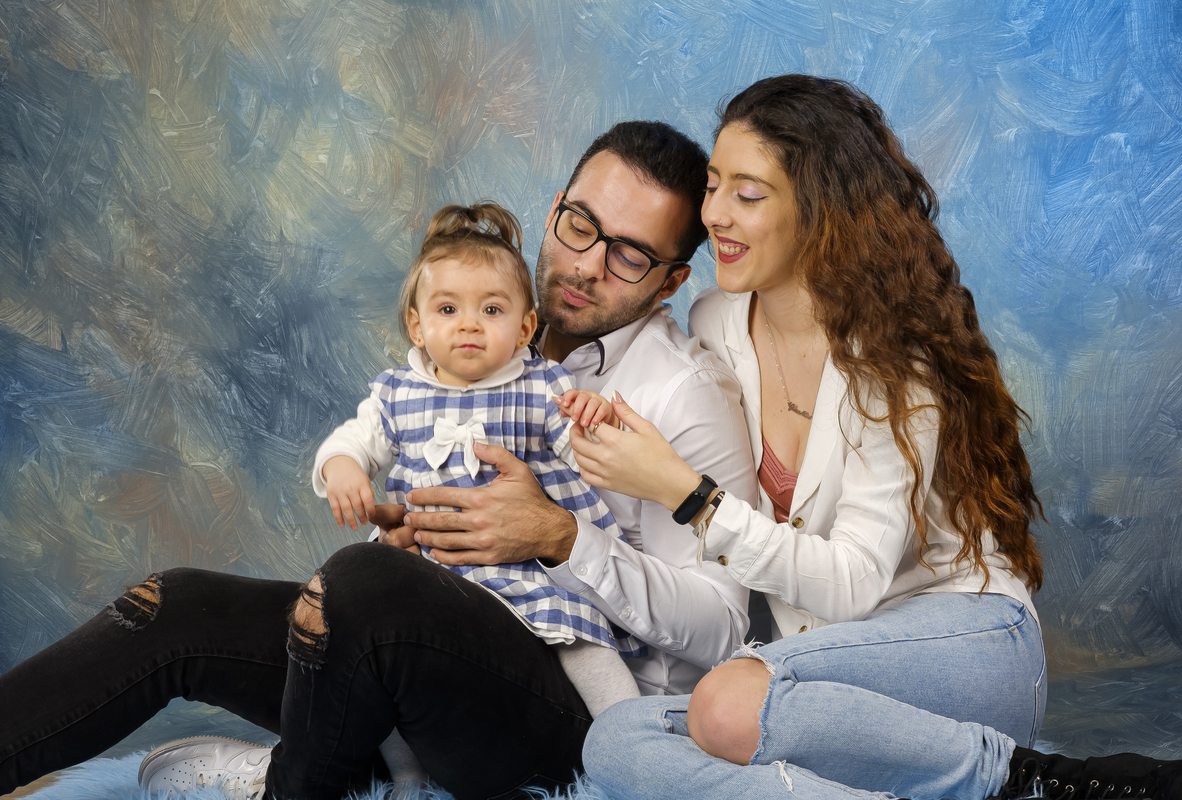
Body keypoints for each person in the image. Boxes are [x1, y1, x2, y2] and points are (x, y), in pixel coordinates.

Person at [0, 121, 759, 800]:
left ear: (670, 280)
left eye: (628, 254)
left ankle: (289, 786)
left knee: (364, 584)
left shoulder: (683, 395)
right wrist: (409, 533)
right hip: (420, 644)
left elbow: (724, 629)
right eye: (580, 225)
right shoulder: (475, 327)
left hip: (570, 710)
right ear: (556, 204)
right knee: (179, 606)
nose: (588, 263)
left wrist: (561, 539)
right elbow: (382, 454)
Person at [577, 75, 1182, 800]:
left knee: (727, 702)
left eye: (747, 194)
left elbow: (850, 586)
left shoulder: (892, 361)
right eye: (714, 185)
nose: (713, 212)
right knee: (617, 738)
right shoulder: (716, 322)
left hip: (965, 649)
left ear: (822, 211)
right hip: (819, 678)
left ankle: (1027, 780)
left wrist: (687, 494)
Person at [312, 201, 642, 723]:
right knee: (376, 649)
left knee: (577, 637)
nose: (469, 325)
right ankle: (406, 776)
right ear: (417, 327)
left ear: (525, 326)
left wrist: (594, 418)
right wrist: (343, 467)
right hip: (427, 564)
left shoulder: (541, 386)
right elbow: (353, 440)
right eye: (448, 310)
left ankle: (631, 731)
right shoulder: (397, 394)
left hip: (524, 566)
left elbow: (591, 457)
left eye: (491, 310)